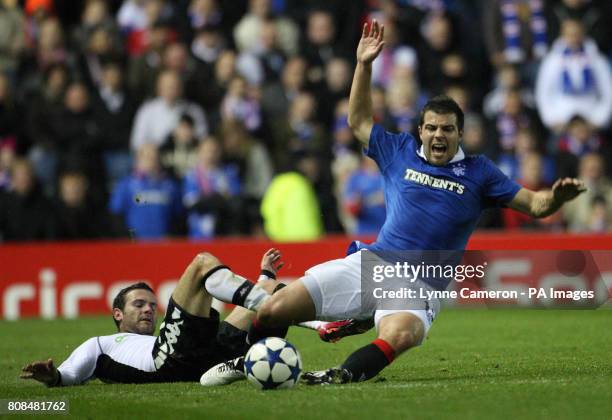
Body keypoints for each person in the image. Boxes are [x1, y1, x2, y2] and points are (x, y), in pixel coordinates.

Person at [203, 20, 587, 386]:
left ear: (460, 134)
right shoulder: (399, 150)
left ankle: (341, 375)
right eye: (432, 127)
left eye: (448, 129)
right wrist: (363, 66)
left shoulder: (479, 172)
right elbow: (358, 121)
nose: (439, 135)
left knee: (401, 334)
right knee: (273, 309)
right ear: (420, 130)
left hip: (422, 283)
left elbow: (536, 205)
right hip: (374, 265)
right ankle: (248, 360)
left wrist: (557, 196)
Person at [20, 249, 289, 386]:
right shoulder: (101, 343)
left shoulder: (164, 336)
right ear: (118, 314)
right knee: (202, 262)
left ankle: (253, 360)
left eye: (151, 305)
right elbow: (70, 373)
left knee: (274, 290)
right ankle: (315, 325)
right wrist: (52, 377)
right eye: (138, 304)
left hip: (202, 356)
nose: (148, 309)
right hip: (167, 363)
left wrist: (264, 277)